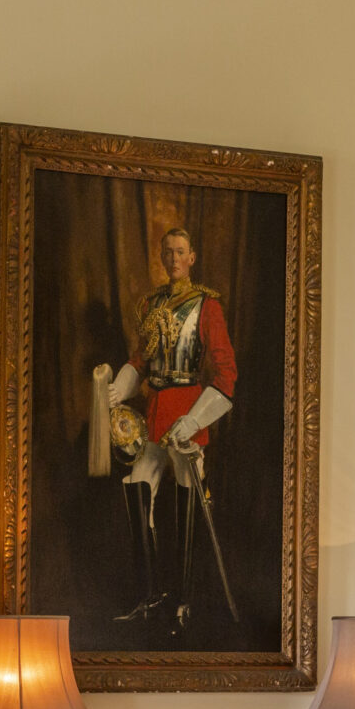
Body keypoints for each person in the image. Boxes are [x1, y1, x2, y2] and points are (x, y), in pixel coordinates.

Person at [98, 228, 240, 629]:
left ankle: (184, 600)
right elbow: (140, 362)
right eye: (168, 252)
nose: (174, 258)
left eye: (180, 252)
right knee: (137, 485)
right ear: (162, 257)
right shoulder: (153, 304)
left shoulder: (206, 305)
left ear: (192, 257)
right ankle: (151, 594)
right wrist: (117, 390)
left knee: (186, 501)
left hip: (187, 414)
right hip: (155, 412)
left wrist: (195, 419)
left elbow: (226, 373)